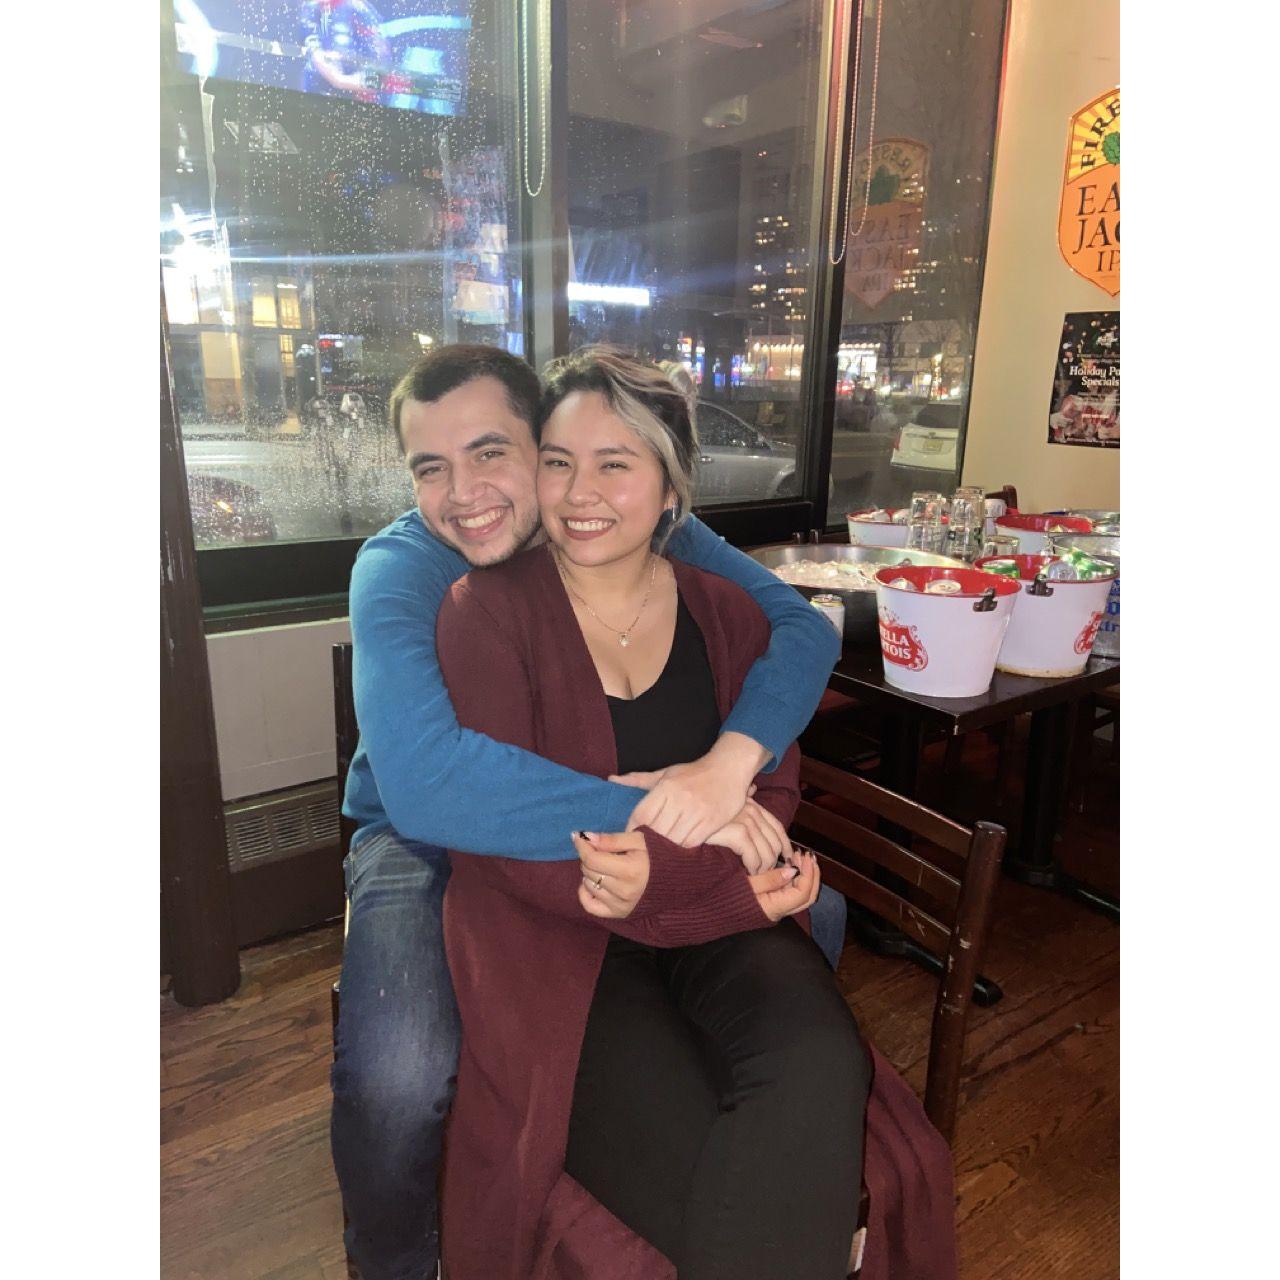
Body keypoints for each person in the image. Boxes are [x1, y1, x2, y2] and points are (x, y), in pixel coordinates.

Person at [433, 347, 955, 1280]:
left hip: (718, 918)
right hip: (561, 945)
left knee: (821, 1062)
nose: (579, 492)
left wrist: (684, 863)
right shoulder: (485, 612)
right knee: (713, 1162)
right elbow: (508, 840)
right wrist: (703, 848)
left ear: (672, 488)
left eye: (615, 463)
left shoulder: (727, 613)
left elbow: (770, 797)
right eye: (557, 461)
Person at [333, 344, 849, 1280]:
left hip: (578, 828)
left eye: (492, 454)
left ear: (537, 443)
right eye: (430, 468)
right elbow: (428, 783)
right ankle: (397, 1264)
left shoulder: (613, 519)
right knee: (400, 1073)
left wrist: (726, 767)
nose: (465, 495)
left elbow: (803, 628)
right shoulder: (402, 568)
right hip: (416, 834)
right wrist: (669, 807)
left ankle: (752, 1130)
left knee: (823, 917)